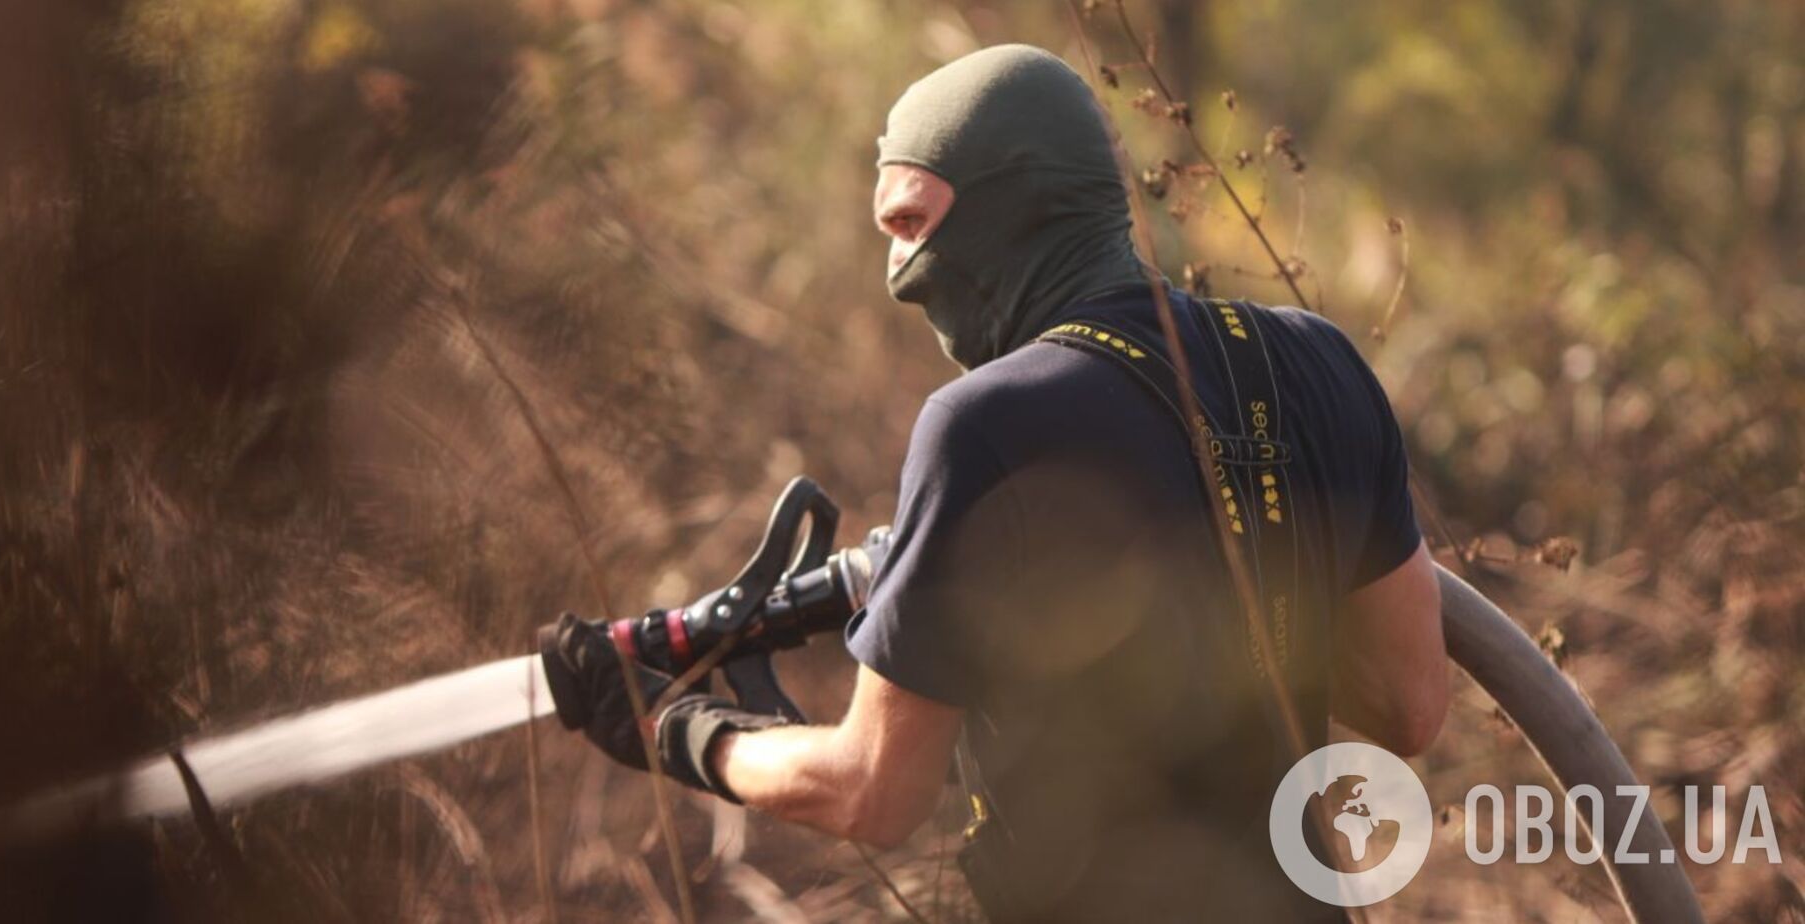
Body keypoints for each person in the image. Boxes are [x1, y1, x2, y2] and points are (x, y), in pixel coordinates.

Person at [544, 44, 1447, 921]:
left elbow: (872, 793)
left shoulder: (982, 423)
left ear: (1015, 203)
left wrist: (681, 729)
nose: (897, 276)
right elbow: (1410, 708)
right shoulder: (1315, 359)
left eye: (910, 225)